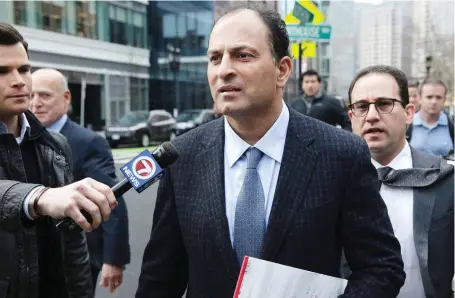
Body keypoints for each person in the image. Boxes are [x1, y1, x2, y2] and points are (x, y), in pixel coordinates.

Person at [135, 4, 404, 298]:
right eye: (215, 58)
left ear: (282, 70)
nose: (224, 70)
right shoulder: (182, 157)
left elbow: (382, 268)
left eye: (242, 55)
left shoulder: (341, 154)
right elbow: (160, 279)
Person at [0, 23, 117, 298]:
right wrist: (39, 198)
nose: (19, 80)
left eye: (24, 69)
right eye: (2, 71)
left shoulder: (55, 144)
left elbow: (73, 245)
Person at [347, 65, 454, 297]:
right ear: (351, 116)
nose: (372, 115)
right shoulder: (332, 181)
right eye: (362, 107)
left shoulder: (444, 179)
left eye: (384, 104)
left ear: (408, 113)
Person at [30, 69, 131, 294]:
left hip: (75, 259)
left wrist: (113, 259)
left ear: (66, 98)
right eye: (31, 95)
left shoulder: (89, 142)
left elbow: (111, 198)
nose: (36, 103)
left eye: (45, 96)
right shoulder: (18, 139)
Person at [407, 78, 454, 156]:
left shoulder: (451, 124)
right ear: (420, 98)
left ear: (444, 99)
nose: (434, 102)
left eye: (438, 97)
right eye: (429, 97)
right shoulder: (407, 124)